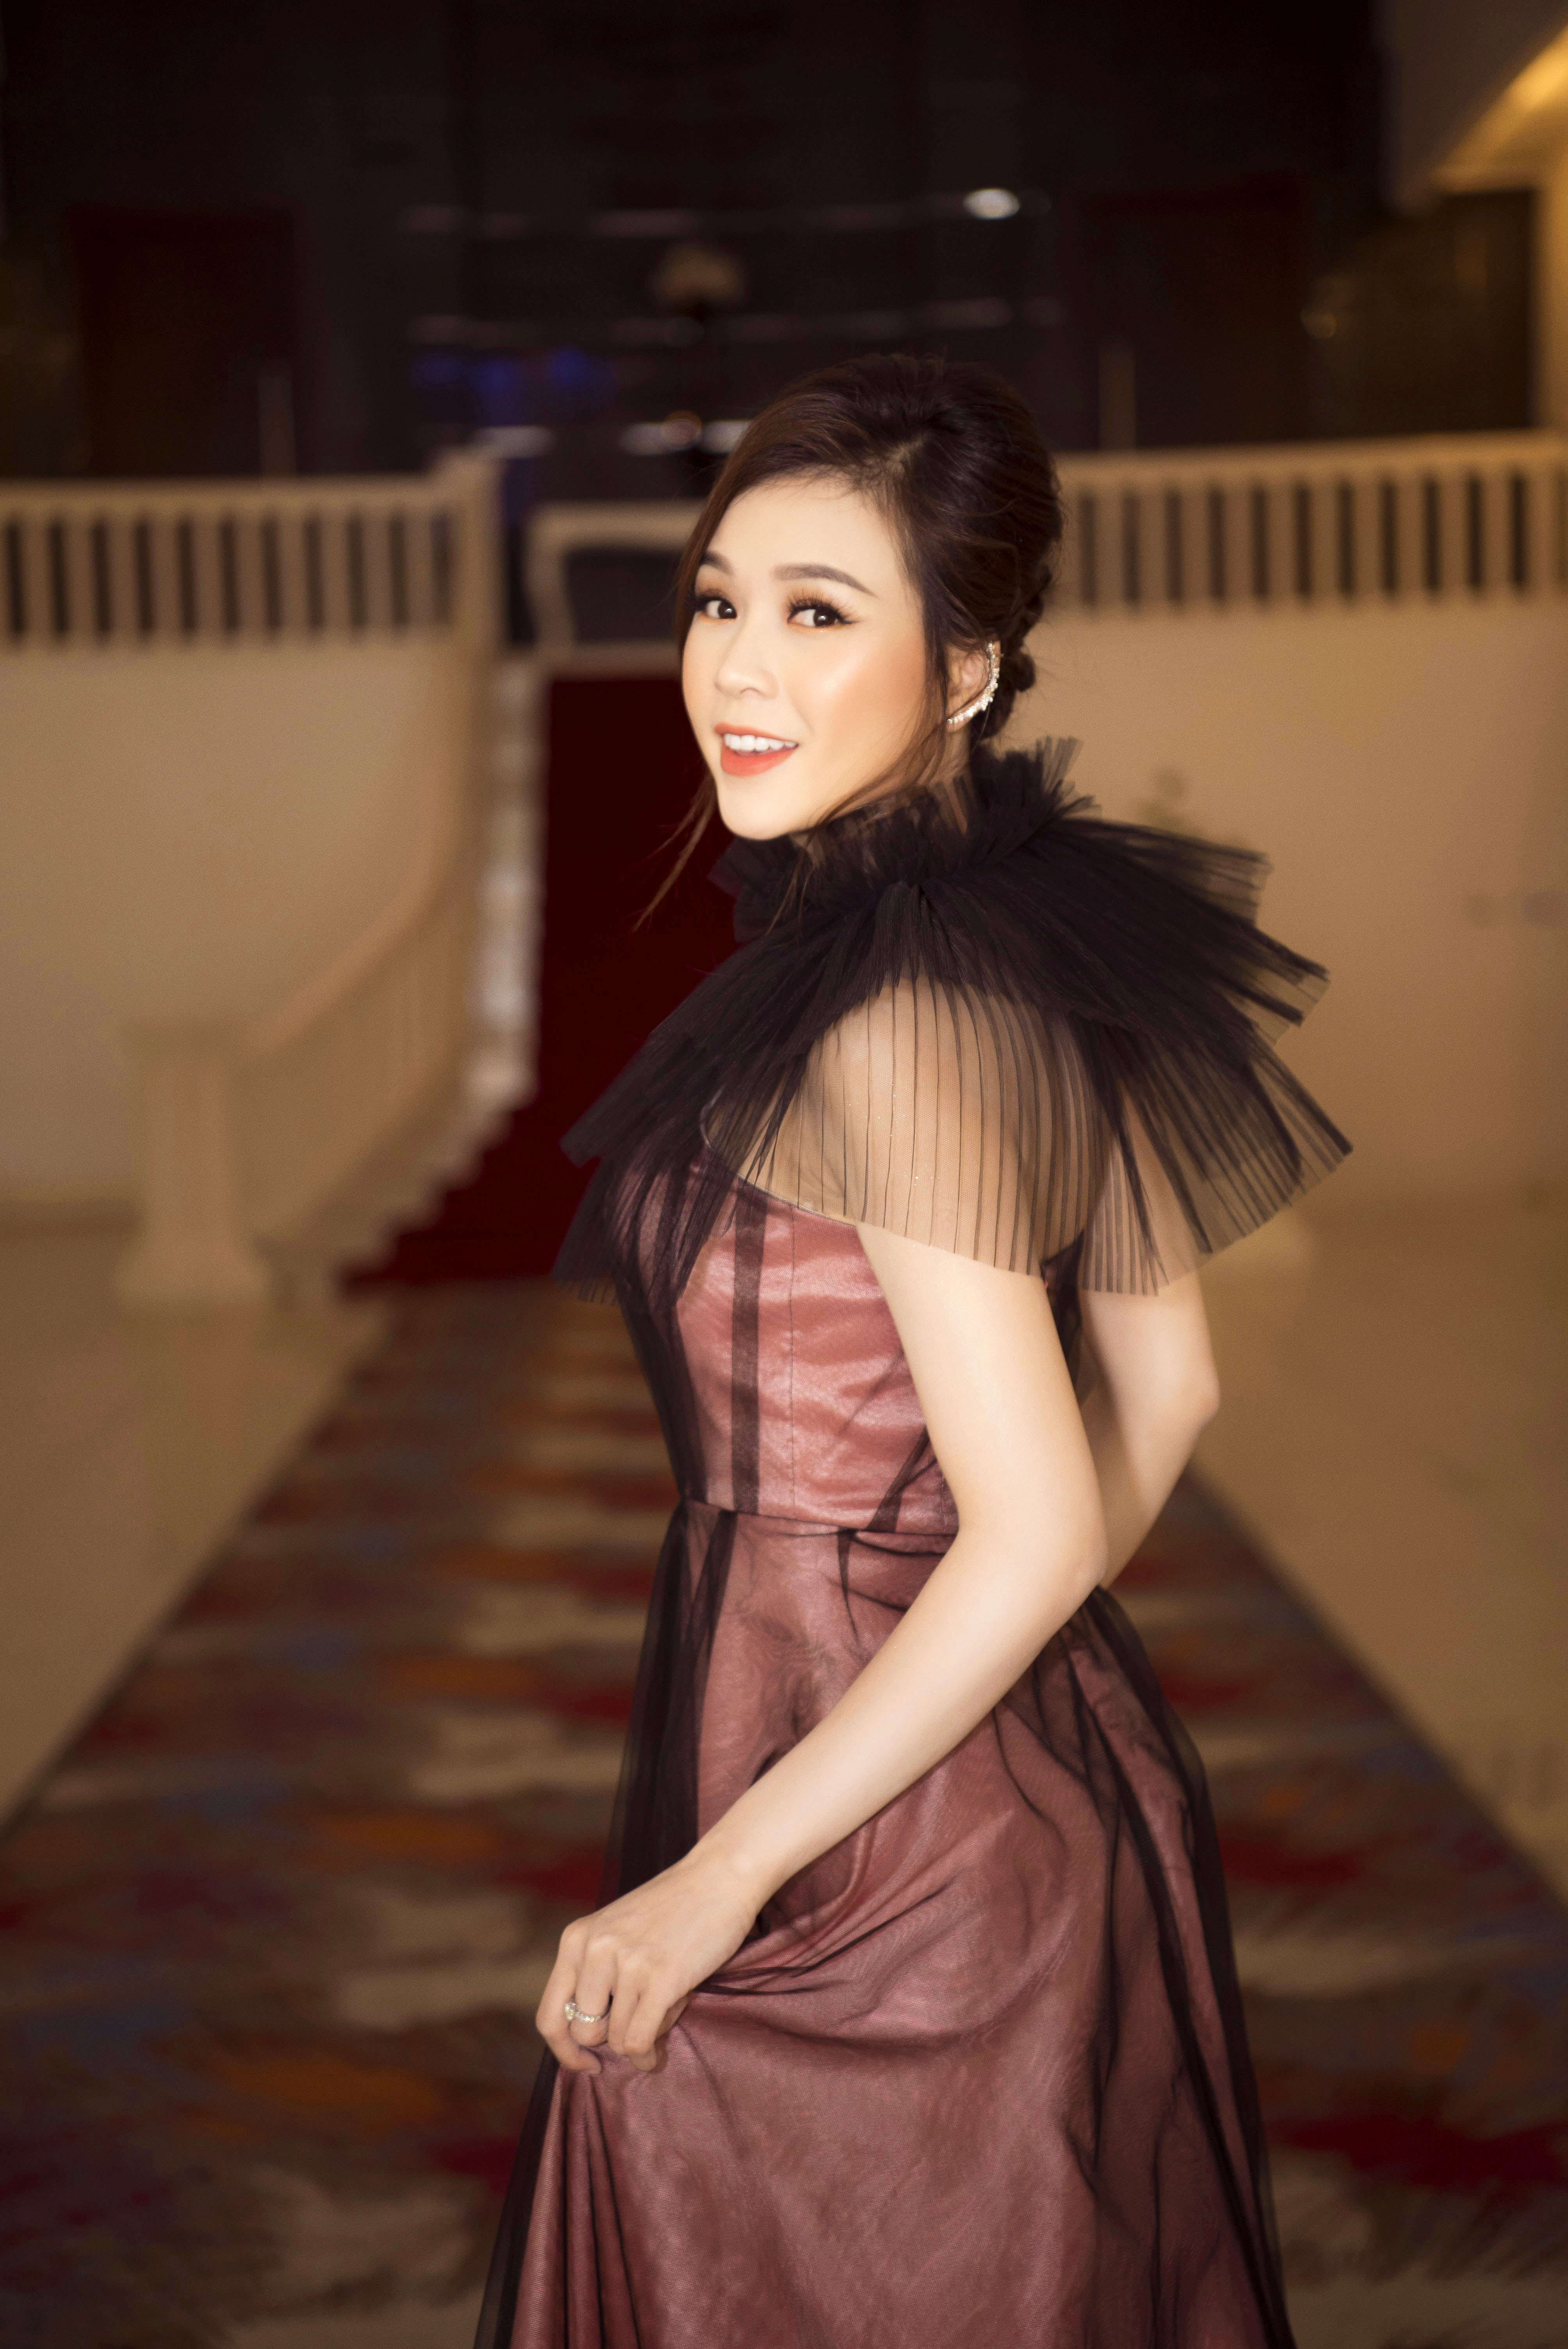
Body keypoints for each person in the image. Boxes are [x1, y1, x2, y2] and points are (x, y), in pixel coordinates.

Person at [476, 354, 1348, 2349]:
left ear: (963, 668)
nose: (733, 667)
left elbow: (1037, 1523)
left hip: (884, 1823)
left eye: (816, 612)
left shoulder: (901, 1020)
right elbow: (1169, 1389)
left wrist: (727, 1873)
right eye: (718, 599)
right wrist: (1009, 1688)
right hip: (959, 1765)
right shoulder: (1001, 937)